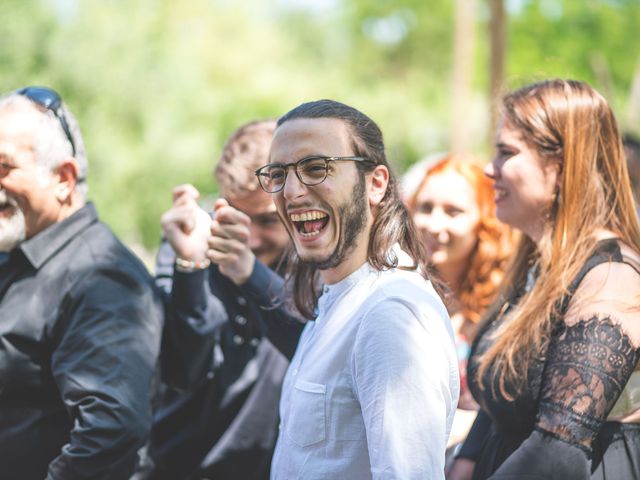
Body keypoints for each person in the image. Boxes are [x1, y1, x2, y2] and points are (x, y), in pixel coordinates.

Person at [254, 99, 459, 479]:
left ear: (376, 184)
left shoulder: (391, 314)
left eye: (316, 168)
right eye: (278, 174)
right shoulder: (337, 298)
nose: (293, 191)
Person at [448, 79, 640, 480]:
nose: (489, 168)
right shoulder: (538, 267)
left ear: (562, 166)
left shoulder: (610, 277)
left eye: (507, 153)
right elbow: (503, 391)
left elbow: (558, 454)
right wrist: (466, 461)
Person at [0, 86, 163, 479]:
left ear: (63, 178)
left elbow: (109, 434)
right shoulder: (18, 256)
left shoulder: (103, 275)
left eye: (4, 167)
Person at [147, 120, 302, 480]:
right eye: (235, 216)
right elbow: (184, 367)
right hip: (180, 465)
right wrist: (193, 266)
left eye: (266, 221)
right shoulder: (193, 242)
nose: (248, 239)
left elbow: (316, 344)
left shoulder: (315, 253)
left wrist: (251, 275)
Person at [407, 154, 513, 446]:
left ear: (485, 220)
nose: (434, 224)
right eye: (426, 208)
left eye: (453, 212)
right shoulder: (400, 287)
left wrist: (465, 428)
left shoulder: (507, 299)